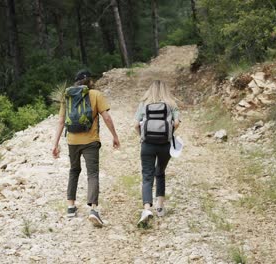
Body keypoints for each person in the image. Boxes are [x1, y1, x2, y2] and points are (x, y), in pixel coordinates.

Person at [52, 69, 120, 227]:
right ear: (89, 81)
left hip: (72, 141)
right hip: (91, 141)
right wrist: (115, 136)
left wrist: (55, 144)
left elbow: (61, 121)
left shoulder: (67, 96)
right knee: (93, 173)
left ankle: (70, 207)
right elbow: (107, 117)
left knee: (74, 170)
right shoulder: (96, 94)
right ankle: (93, 210)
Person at [134, 80, 180, 225]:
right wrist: (169, 134)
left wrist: (141, 136)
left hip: (147, 144)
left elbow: (136, 124)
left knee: (147, 176)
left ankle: (147, 208)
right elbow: (177, 122)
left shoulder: (144, 103)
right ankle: (160, 207)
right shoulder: (171, 103)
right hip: (164, 145)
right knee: (160, 172)